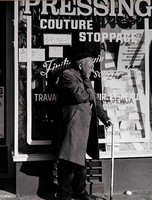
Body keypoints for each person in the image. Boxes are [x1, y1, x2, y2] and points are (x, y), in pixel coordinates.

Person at [52, 52, 112, 200]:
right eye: (90, 66)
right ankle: (64, 195)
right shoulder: (67, 75)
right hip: (72, 126)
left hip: (84, 127)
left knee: (80, 163)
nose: (92, 70)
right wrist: (90, 91)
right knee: (69, 162)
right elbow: (80, 96)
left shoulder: (85, 78)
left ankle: (80, 192)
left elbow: (95, 100)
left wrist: (105, 118)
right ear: (80, 65)